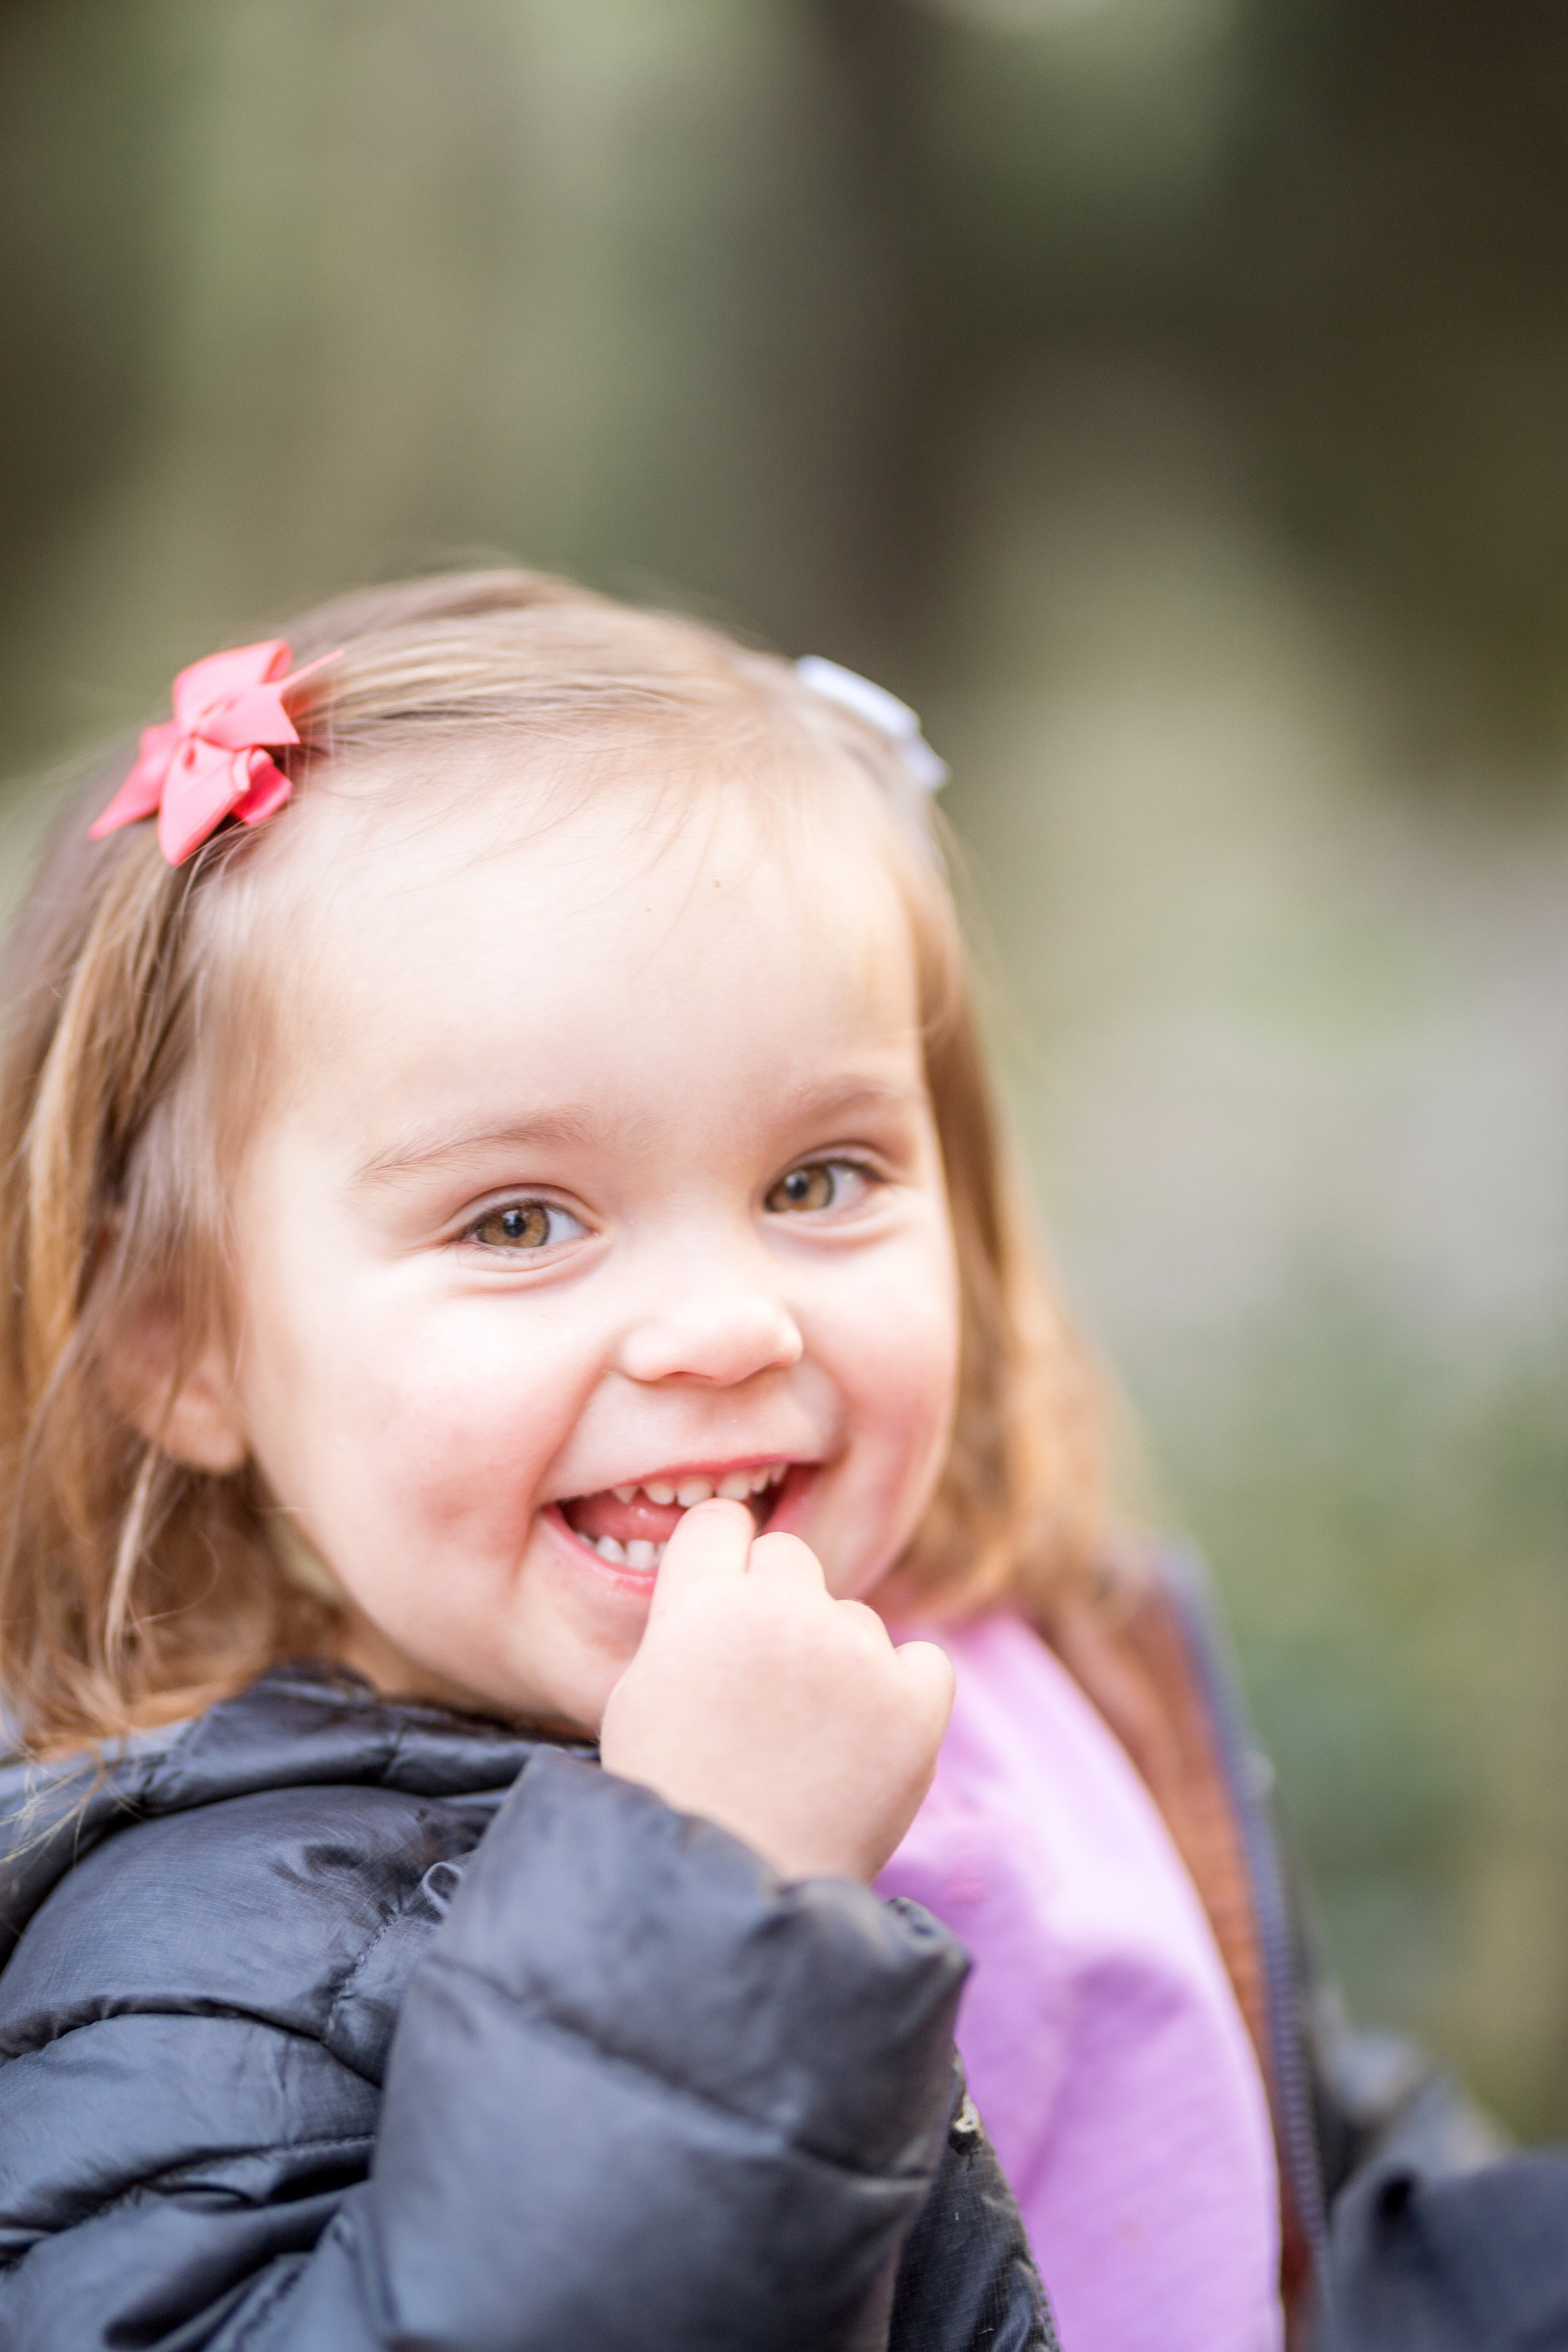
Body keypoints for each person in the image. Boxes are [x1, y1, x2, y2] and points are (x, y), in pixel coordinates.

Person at [0, 567, 1292, 2350]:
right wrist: (708, 1906)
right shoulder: (211, 1957)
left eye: (817, 1181)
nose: (728, 1322)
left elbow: (1341, 2208)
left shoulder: (1040, 1684)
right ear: (184, 1348)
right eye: (521, 1217)